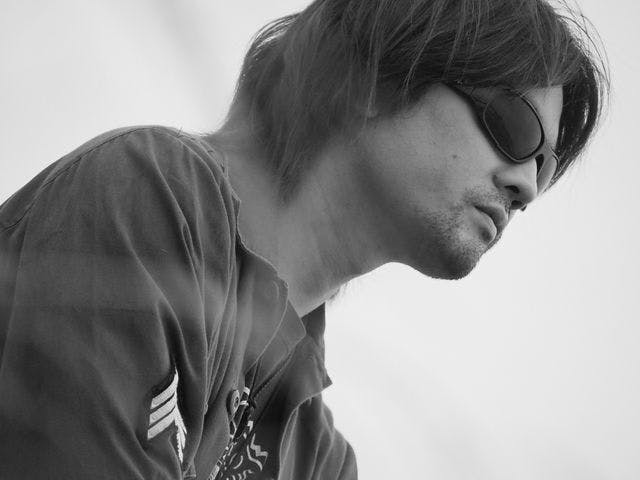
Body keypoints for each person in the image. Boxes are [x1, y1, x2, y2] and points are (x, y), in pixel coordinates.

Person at [0, 0, 608, 478]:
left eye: (546, 164)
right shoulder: (151, 194)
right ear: (375, 78)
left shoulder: (317, 456)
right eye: (515, 126)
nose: (528, 186)